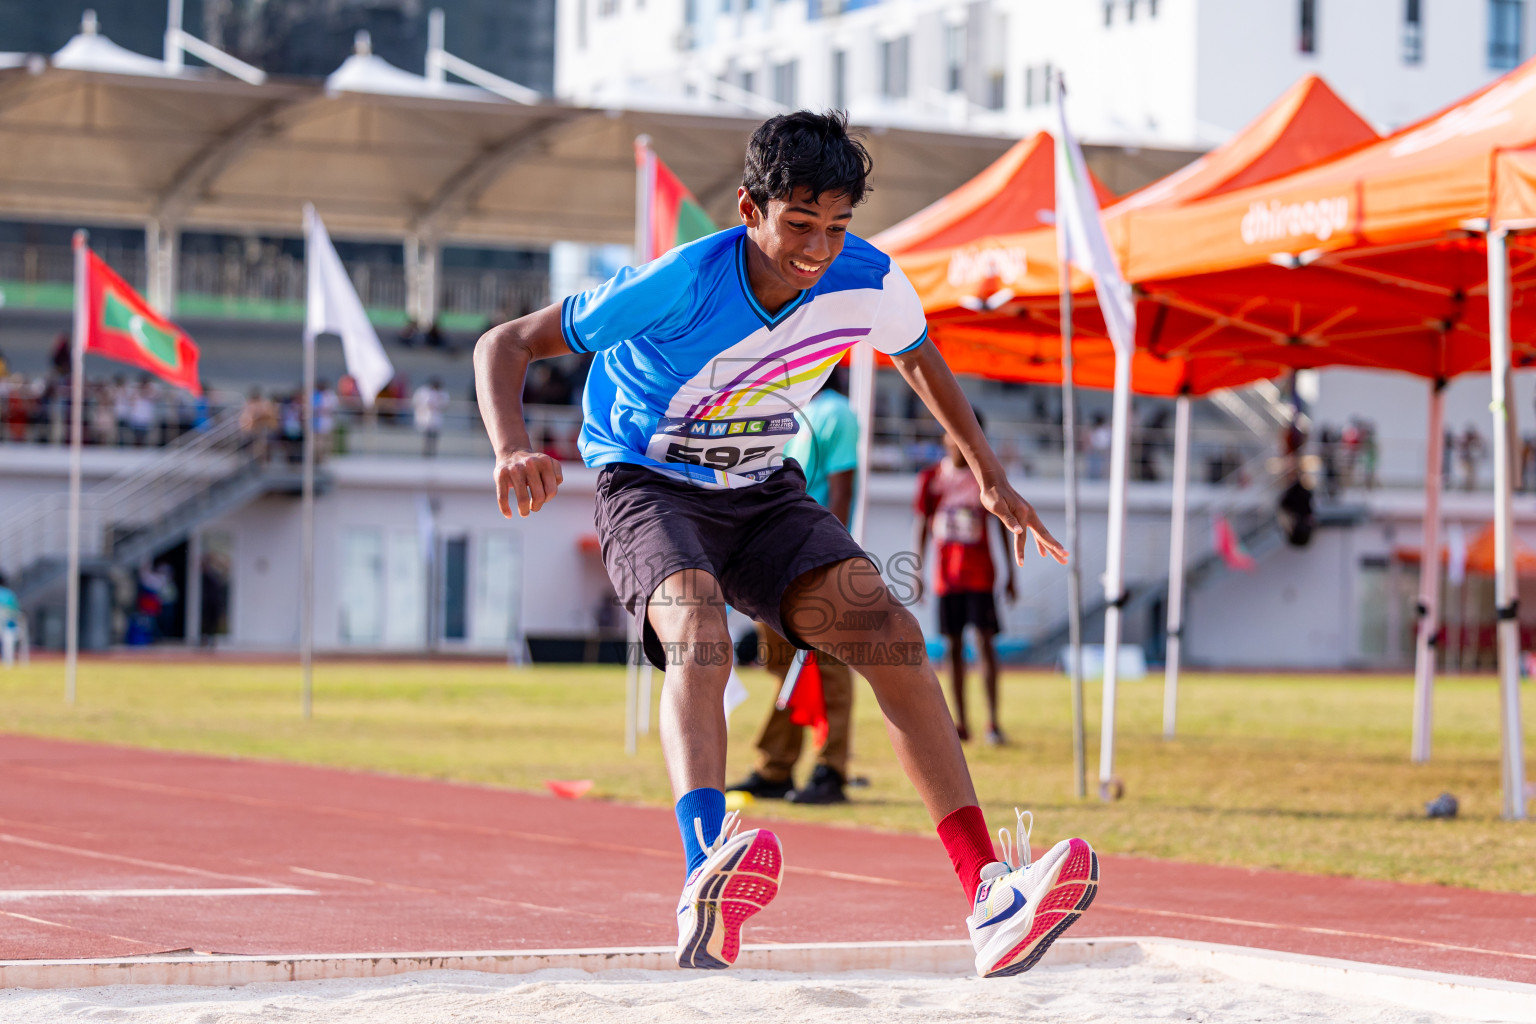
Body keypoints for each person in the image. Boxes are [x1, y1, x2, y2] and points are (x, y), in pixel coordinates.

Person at [473, 111, 1097, 978]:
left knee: (892, 636)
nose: (816, 248)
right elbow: (505, 344)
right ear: (748, 208)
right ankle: (705, 876)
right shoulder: (679, 280)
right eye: (798, 225)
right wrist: (512, 446)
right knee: (695, 634)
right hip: (649, 480)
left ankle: (990, 895)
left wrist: (986, 472)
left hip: (763, 491)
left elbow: (919, 357)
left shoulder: (868, 279)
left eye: (836, 227)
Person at [728, 364, 859, 805]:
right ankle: (777, 767)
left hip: (812, 555)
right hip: (771, 557)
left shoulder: (835, 411)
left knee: (830, 667)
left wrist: (829, 559)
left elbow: (841, 491)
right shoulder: (786, 410)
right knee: (787, 668)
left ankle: (831, 769)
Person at [915, 411, 1016, 745]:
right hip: (947, 578)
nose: (959, 442)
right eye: (952, 433)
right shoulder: (931, 479)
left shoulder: (984, 480)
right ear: (945, 437)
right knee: (952, 647)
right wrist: (917, 570)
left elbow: (1003, 526)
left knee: (986, 644)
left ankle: (994, 722)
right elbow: (923, 528)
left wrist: (1011, 573)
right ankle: (959, 722)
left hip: (981, 576)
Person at [413, 377, 449, 457]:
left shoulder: (442, 392)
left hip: (436, 417)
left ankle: (433, 452)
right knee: (426, 436)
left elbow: (445, 405)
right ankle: (426, 452)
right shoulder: (423, 391)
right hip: (425, 416)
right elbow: (417, 402)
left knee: (434, 436)